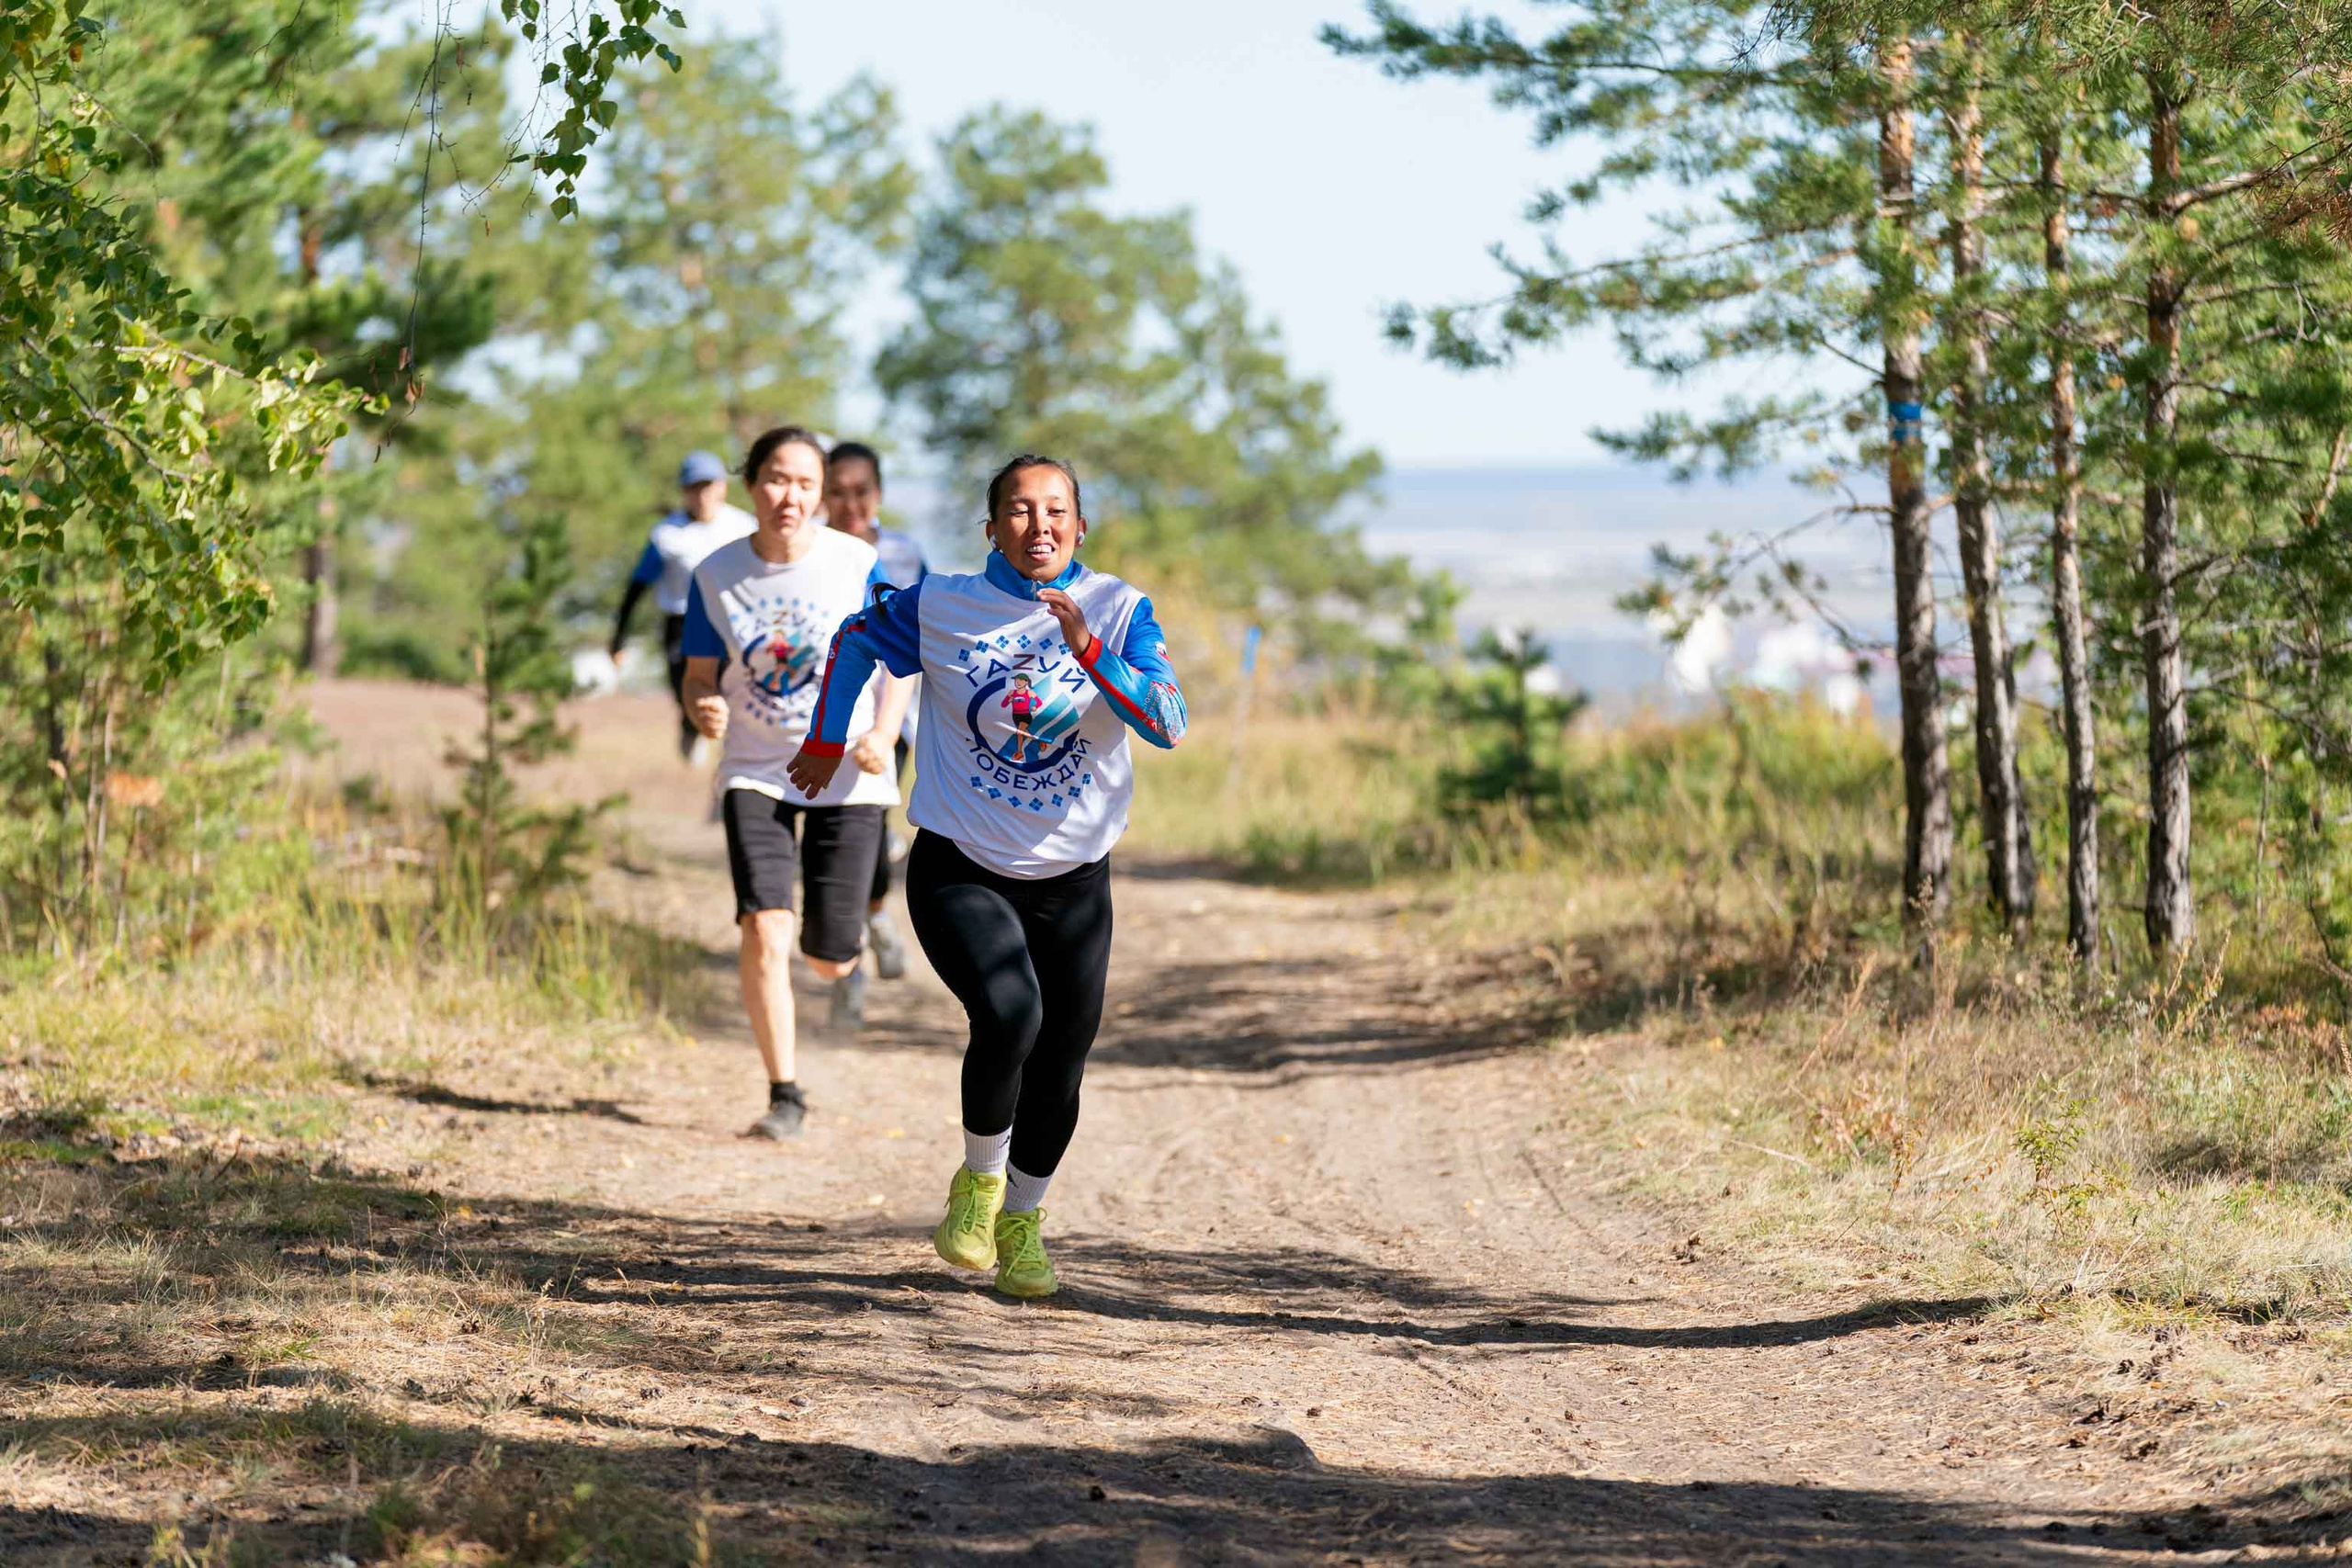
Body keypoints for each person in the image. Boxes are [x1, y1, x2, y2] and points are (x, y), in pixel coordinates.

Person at [787, 455, 1186, 1297]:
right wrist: (828, 736)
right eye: (1017, 510)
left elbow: (1168, 721)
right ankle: (979, 1183)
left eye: (1055, 512)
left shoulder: (1120, 608)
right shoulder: (943, 604)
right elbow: (856, 641)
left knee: (1063, 1062)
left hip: (1075, 881)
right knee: (1012, 1013)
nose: (1037, 526)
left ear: (1080, 526)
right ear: (992, 526)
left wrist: (1089, 651)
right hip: (960, 864)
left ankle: (1024, 1221)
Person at [681, 426, 913, 1140]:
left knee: (825, 957)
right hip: (756, 768)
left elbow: (900, 661)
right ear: (751, 483)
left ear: (820, 493)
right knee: (765, 928)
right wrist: (702, 705)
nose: (793, 496)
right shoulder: (715, 576)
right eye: (779, 479)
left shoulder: (857, 561)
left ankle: (857, 941)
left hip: (848, 771)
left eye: (807, 484)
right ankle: (785, 1093)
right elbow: (696, 676)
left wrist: (880, 733)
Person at [822, 441, 927, 983]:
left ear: (879, 493)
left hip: (892, 719)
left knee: (872, 823)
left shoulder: (906, 556)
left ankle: (869, 922)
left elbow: (931, 629)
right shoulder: (807, 555)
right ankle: (859, 935)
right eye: (837, 492)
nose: (850, 504)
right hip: (823, 718)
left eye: (861, 491)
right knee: (836, 837)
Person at [611, 450, 756, 759]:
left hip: (732, 622)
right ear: (684, 491)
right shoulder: (667, 535)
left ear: (722, 487)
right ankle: (691, 725)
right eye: (694, 487)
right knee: (687, 689)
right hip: (682, 623)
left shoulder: (744, 527)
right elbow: (637, 586)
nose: (702, 495)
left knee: (735, 690)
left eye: (708, 485)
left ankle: (738, 748)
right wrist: (618, 639)